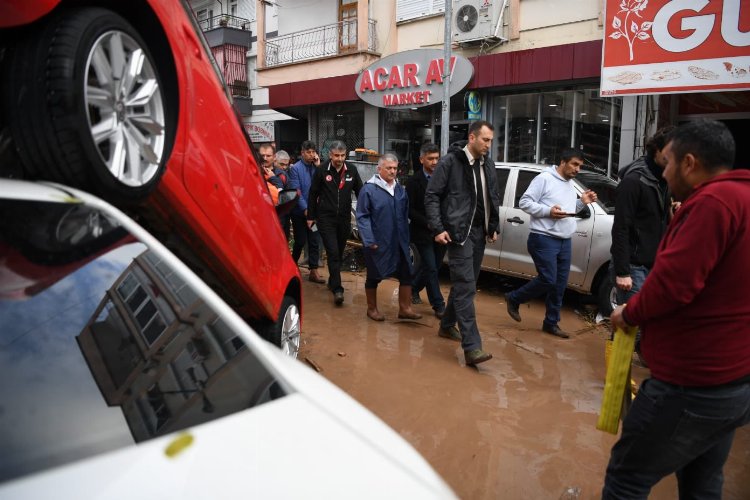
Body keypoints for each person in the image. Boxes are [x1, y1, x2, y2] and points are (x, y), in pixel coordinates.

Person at [604, 119, 750, 499]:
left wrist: (628, 313)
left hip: (691, 384)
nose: (662, 171)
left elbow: (673, 286)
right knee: (703, 482)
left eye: (667, 162)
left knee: (626, 478)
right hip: (734, 383)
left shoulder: (713, 204)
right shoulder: (742, 198)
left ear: (689, 163)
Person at [424, 120, 500, 366]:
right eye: (485, 140)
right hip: (459, 234)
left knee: (465, 283)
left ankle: (446, 325)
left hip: (480, 233)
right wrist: (437, 228)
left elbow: (491, 196)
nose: (489, 145)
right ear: (472, 138)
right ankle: (472, 347)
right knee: (466, 286)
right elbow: (432, 196)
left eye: (491, 141)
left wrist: (493, 225)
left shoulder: (487, 164)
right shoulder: (450, 163)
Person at [504, 148, 598, 339]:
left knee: (559, 285)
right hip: (543, 238)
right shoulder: (544, 178)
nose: (577, 169)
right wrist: (548, 211)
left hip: (564, 240)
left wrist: (582, 202)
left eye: (580, 166)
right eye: (574, 164)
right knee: (548, 279)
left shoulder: (569, 183)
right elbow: (524, 202)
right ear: (563, 162)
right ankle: (514, 298)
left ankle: (551, 323)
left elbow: (567, 211)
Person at [609, 126, 674, 360]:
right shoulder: (634, 181)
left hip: (652, 262)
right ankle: (615, 377)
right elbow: (621, 228)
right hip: (633, 266)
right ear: (656, 150)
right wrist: (623, 271)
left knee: (649, 318)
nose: (674, 158)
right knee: (630, 321)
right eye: (670, 152)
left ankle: (643, 357)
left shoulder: (663, 179)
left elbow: (660, 219)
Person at [356, 154, 422, 321]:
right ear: (379, 169)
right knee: (374, 274)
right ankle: (372, 309)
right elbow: (362, 216)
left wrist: (407, 238)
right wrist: (369, 240)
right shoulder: (369, 190)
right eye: (389, 168)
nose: (393, 171)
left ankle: (405, 308)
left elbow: (405, 213)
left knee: (407, 271)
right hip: (378, 240)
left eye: (395, 168)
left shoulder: (400, 190)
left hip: (399, 240)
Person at [308, 140, 363, 305]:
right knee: (332, 251)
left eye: (342, 155)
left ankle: (333, 279)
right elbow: (313, 194)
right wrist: (311, 216)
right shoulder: (321, 170)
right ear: (330, 155)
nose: (340, 159)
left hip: (344, 219)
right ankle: (338, 289)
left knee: (338, 252)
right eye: (336, 155)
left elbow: (360, 191)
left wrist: (367, 211)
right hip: (325, 218)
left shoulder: (351, 170)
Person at [406, 143, 446, 318]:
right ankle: (438, 305)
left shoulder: (444, 179)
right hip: (422, 232)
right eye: (430, 159)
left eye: (437, 158)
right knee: (430, 267)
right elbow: (410, 209)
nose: (434, 162)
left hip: (442, 231)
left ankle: (414, 288)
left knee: (434, 266)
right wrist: (428, 223)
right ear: (422, 159)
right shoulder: (414, 181)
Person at [287, 140, 325, 284]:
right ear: (302, 153)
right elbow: (297, 191)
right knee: (300, 240)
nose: (311, 155)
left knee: (315, 240)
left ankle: (313, 271)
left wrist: (319, 166)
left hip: (314, 215)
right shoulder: (295, 169)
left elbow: (325, 185)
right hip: (299, 214)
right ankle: (292, 264)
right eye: (308, 152)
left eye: (313, 152)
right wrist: (306, 210)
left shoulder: (318, 168)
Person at [275, 150, 292, 238]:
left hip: (285, 213)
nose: (285, 167)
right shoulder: (275, 174)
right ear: (275, 161)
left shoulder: (288, 172)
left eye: (287, 164)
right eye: (282, 164)